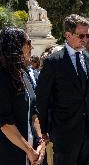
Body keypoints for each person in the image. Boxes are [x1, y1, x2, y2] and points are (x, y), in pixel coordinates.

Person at [36, 14, 89, 165]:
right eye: (81, 35)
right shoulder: (53, 62)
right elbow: (42, 98)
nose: (85, 39)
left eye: (87, 35)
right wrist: (44, 129)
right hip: (65, 133)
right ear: (68, 35)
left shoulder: (88, 58)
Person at [0, 27, 46, 165]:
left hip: (32, 153)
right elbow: (5, 123)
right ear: (16, 46)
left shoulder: (23, 73)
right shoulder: (2, 77)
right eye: (28, 42)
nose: (31, 47)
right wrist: (29, 151)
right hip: (9, 155)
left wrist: (40, 143)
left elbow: (34, 112)